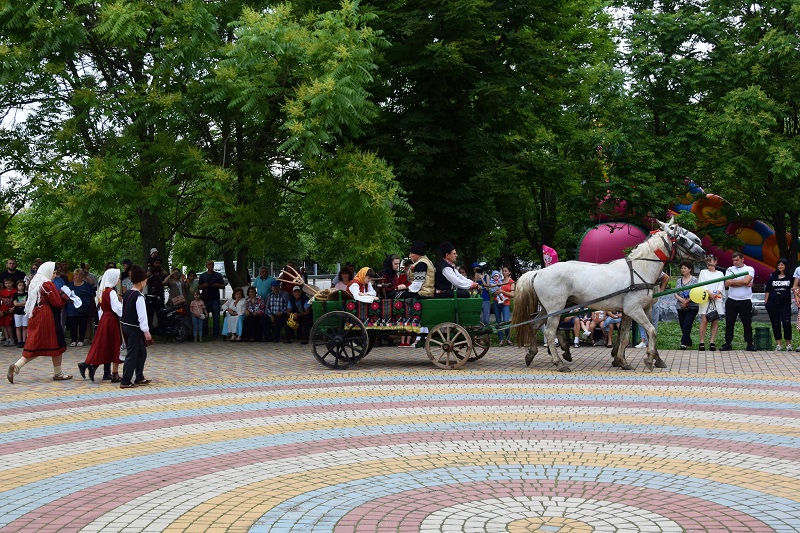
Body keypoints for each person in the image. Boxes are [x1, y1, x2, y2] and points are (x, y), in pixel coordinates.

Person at [7, 261, 72, 383]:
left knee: (35, 344)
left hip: (35, 315)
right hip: (47, 316)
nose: (54, 275)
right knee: (57, 342)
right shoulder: (47, 284)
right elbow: (57, 302)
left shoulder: (35, 282)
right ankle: (58, 373)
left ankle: (16, 366)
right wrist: (65, 296)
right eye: (53, 272)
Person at [78, 268, 123, 382]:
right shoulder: (111, 292)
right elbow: (118, 309)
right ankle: (112, 373)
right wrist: (123, 303)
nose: (119, 279)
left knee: (104, 344)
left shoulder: (103, 291)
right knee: (113, 344)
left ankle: (92, 366)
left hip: (104, 319)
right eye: (117, 277)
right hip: (111, 320)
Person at [119, 265, 153, 388]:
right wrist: (146, 331)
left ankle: (139, 377)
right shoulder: (139, 297)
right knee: (133, 353)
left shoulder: (127, 294)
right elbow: (142, 316)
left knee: (141, 352)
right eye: (145, 280)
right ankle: (125, 381)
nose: (146, 282)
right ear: (140, 282)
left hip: (126, 326)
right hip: (134, 328)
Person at [721, 251, 756, 351]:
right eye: (733, 260)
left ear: (742, 259)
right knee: (729, 322)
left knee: (747, 322)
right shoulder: (729, 269)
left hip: (745, 300)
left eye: (737, 260)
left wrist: (733, 282)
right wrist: (742, 282)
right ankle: (727, 343)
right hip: (732, 300)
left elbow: (746, 281)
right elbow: (727, 283)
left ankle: (749, 343)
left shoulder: (749, 269)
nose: (735, 262)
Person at [635, 271, 671, 348]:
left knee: (653, 319)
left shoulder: (655, 269)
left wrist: (662, 290)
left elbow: (666, 277)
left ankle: (651, 341)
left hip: (654, 297)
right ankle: (643, 340)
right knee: (640, 317)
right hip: (643, 297)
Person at [696, 255, 725, 351]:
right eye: (707, 261)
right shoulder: (703, 272)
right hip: (705, 297)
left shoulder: (720, 273)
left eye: (710, 260)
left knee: (715, 319)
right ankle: (702, 341)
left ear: (715, 262)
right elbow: (702, 284)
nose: (708, 263)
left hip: (716, 298)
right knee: (704, 319)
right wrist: (709, 293)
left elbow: (721, 285)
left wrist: (715, 294)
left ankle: (712, 341)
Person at [765, 258, 793, 351]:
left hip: (785, 304)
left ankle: (788, 344)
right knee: (775, 323)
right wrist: (766, 302)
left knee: (786, 323)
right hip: (772, 303)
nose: (780, 266)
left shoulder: (790, 277)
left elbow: (795, 287)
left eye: (782, 265)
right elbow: (768, 289)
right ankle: (779, 344)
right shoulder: (773, 276)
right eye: (779, 265)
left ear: (785, 266)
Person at [66, 268, 96, 347]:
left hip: (83, 308)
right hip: (72, 309)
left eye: (79, 275)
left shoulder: (87, 285)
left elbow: (92, 295)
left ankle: (81, 339)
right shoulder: (70, 285)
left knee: (83, 324)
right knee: (73, 325)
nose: (77, 276)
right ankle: (73, 339)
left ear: (82, 276)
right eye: (76, 274)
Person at [674, 259, 699, 350]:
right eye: (682, 268)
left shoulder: (695, 280)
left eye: (685, 268)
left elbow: (696, 292)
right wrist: (681, 300)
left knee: (687, 323)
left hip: (692, 306)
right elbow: (675, 292)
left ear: (690, 269)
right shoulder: (679, 280)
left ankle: (683, 343)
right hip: (680, 306)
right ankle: (688, 340)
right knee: (682, 324)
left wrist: (687, 301)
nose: (683, 270)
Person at [199, 259, 225, 339]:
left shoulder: (218, 275)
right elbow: (199, 287)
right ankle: (205, 334)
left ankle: (216, 334)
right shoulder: (203, 276)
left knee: (216, 317)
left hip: (215, 299)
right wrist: (204, 286)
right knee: (205, 317)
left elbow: (223, 286)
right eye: (209, 264)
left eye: (212, 264)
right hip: (205, 299)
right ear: (206, 266)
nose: (211, 266)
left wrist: (218, 285)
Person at [493, 266, 515, 346]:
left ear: (509, 272)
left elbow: (513, 294)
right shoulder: (499, 280)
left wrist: (503, 291)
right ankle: (501, 340)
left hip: (506, 303)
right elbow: (494, 289)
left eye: (506, 271)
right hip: (497, 302)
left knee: (506, 321)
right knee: (498, 321)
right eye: (503, 271)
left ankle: (508, 339)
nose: (504, 272)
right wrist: (495, 293)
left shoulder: (511, 282)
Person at [145, 259, 167, 327]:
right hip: (151, 296)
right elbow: (145, 281)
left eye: (159, 263)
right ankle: (150, 328)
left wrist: (162, 269)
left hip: (160, 296)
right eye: (156, 263)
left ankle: (161, 327)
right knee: (150, 313)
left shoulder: (161, 272)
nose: (158, 264)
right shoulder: (150, 272)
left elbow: (167, 276)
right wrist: (149, 273)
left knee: (161, 312)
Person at [0, 277, 16, 346]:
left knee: (8, 325)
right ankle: (7, 339)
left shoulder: (15, 291)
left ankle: (11, 339)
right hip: (3, 310)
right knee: (4, 325)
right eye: (6, 283)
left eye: (9, 283)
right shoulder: (2, 291)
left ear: (12, 283)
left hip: (10, 310)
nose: (8, 284)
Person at [13, 279, 28, 348]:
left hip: (24, 313)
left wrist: (20, 304)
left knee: (24, 327)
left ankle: (24, 340)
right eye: (19, 285)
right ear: (17, 286)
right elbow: (15, 304)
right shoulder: (15, 294)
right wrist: (23, 303)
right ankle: (19, 341)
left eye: (22, 285)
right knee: (18, 327)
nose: (21, 287)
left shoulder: (26, 294)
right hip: (17, 313)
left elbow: (27, 303)